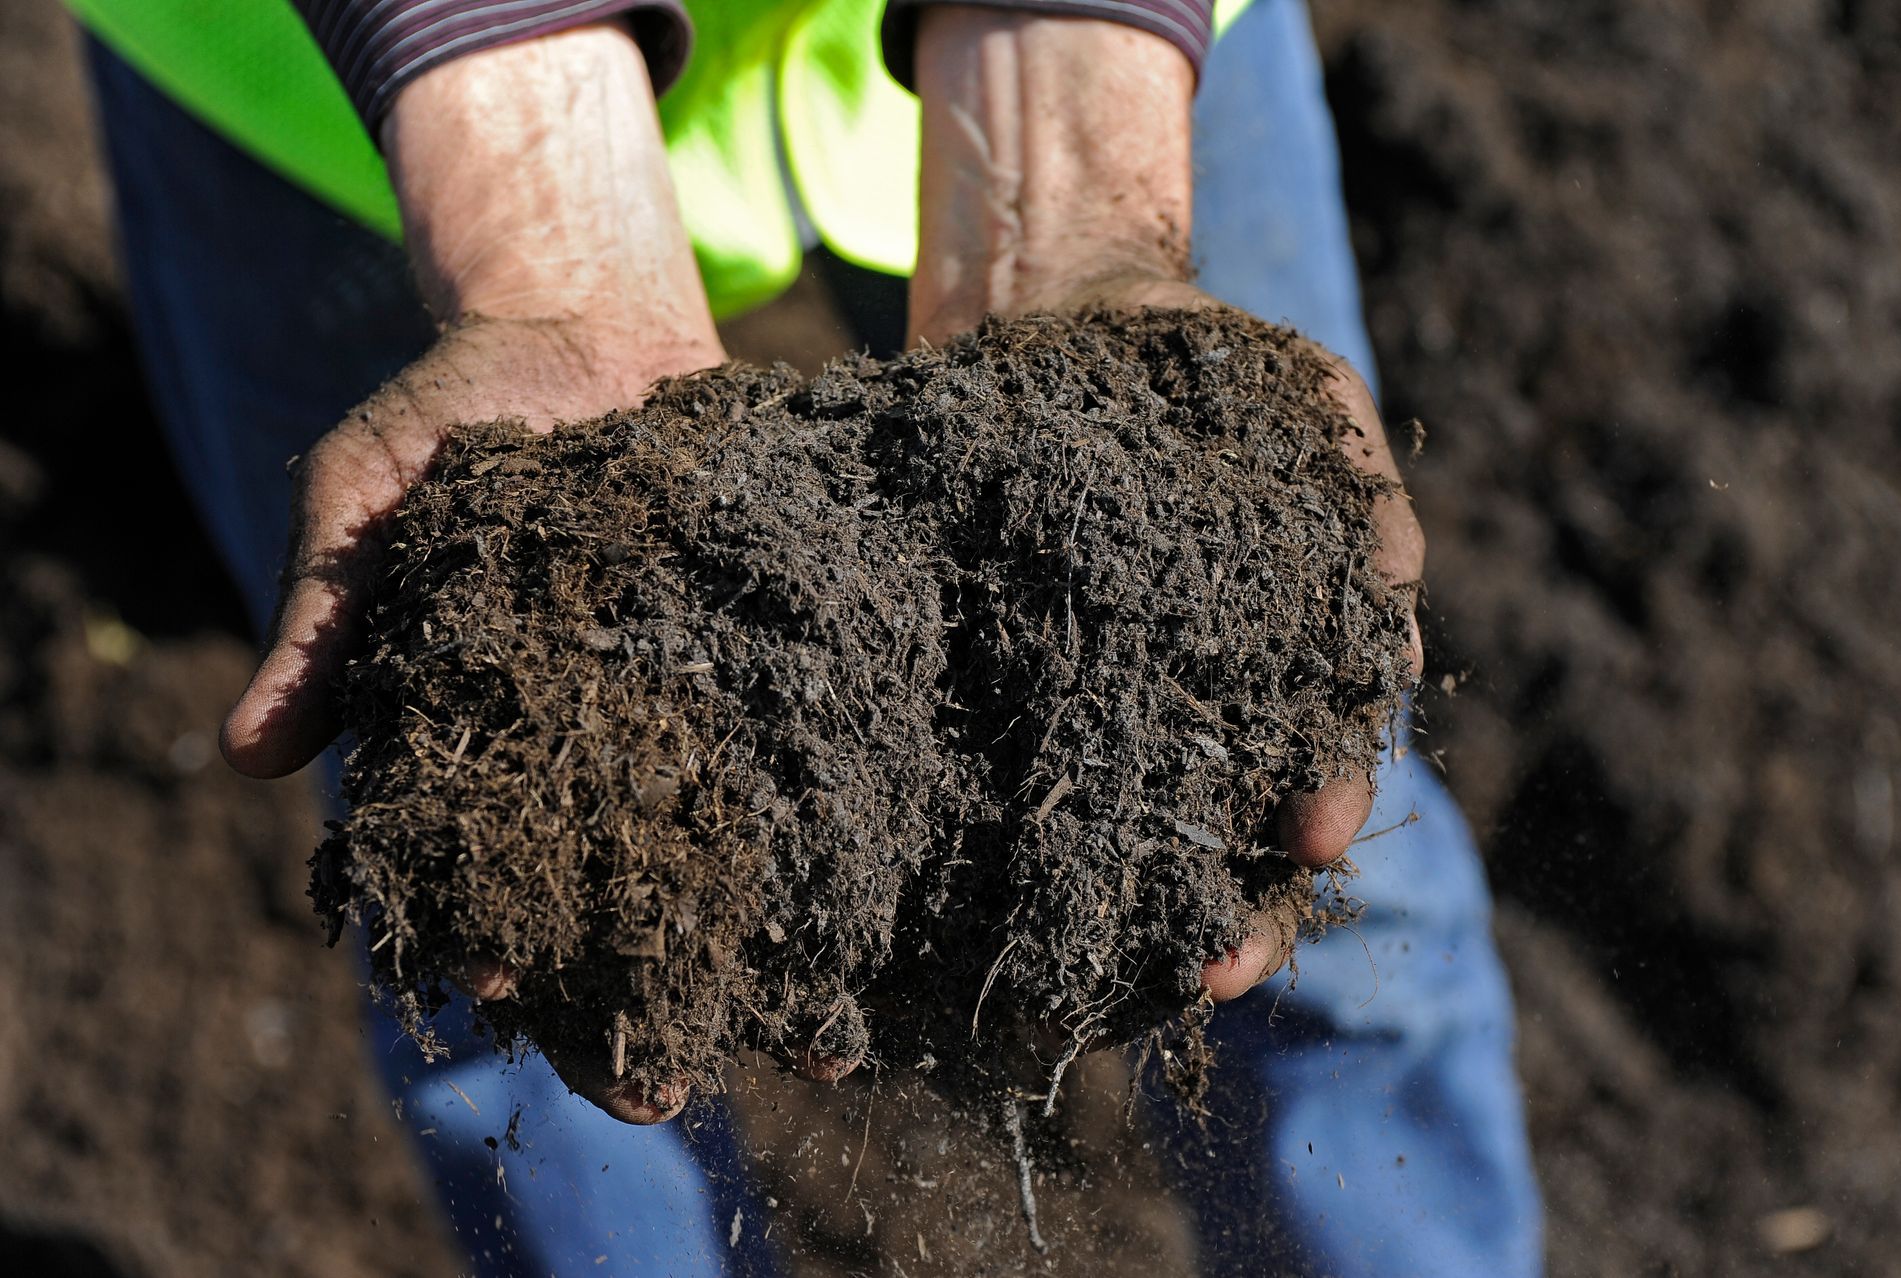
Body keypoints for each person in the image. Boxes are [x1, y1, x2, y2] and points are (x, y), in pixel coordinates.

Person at [78, 0, 1543, 1271]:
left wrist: (1077, 134)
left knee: (1300, 821)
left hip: (1116, 54)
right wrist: (530, 220)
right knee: (506, 902)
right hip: (348, 91)